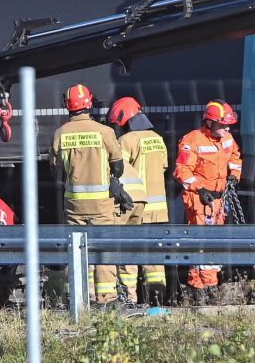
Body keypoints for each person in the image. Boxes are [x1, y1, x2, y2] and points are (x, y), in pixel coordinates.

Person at [50, 82, 133, 306]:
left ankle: (78, 297)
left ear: (67, 105)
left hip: (74, 206)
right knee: (103, 250)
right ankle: (105, 298)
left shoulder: (60, 134)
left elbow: (55, 171)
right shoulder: (105, 132)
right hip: (102, 205)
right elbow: (118, 167)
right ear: (89, 104)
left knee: (76, 249)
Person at [173, 100, 243, 305]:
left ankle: (199, 289)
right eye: (223, 124)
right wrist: (200, 188)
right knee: (204, 244)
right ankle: (207, 289)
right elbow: (182, 170)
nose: (227, 128)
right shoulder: (193, 140)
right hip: (200, 200)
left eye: (228, 124)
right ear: (210, 123)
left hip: (219, 199)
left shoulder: (228, 138)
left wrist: (234, 176)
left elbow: (235, 158)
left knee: (213, 243)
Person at [107, 96, 170, 306]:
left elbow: (119, 170)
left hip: (137, 207)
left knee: (129, 255)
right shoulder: (158, 138)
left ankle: (130, 300)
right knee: (155, 257)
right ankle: (157, 298)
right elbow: (163, 167)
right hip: (159, 210)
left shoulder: (127, 140)